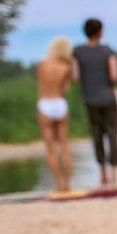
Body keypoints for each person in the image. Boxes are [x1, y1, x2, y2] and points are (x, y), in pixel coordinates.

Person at [73, 17, 117, 188]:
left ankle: (103, 174)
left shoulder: (77, 52)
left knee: (96, 134)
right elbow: (114, 75)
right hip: (108, 98)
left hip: (90, 99)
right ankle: (114, 175)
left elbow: (75, 76)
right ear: (100, 32)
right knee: (112, 134)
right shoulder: (107, 51)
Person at [34, 36, 76, 193]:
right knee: (64, 147)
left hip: (45, 103)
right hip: (60, 104)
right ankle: (68, 185)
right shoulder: (66, 67)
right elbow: (67, 86)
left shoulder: (42, 65)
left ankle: (58, 185)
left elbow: (40, 86)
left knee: (51, 149)